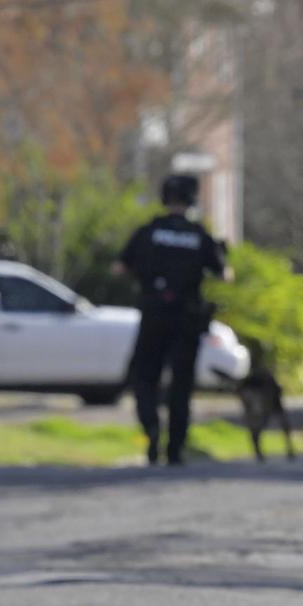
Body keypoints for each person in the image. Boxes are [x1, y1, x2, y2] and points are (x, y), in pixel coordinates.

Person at [115, 174, 232, 466]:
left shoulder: (148, 231)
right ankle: (176, 449)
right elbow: (225, 274)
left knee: (144, 377)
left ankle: (152, 427)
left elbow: (118, 267)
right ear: (192, 199)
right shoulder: (198, 234)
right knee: (182, 385)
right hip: (186, 318)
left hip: (154, 314)